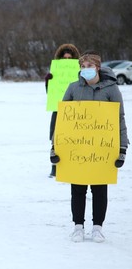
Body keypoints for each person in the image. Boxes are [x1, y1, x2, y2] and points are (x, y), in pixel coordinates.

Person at [50, 51, 129, 243]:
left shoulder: (111, 89)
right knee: (77, 189)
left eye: (89, 66)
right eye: (83, 66)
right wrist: (55, 146)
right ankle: (78, 226)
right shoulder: (73, 88)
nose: (86, 70)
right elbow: (62, 120)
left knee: (99, 189)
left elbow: (119, 119)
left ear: (98, 67)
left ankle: (97, 227)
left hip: (102, 151)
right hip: (77, 151)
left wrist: (122, 148)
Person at [45, 44, 80, 178]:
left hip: (75, 111)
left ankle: (73, 165)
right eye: (64, 58)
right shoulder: (56, 73)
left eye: (69, 58)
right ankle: (55, 167)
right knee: (56, 139)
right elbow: (51, 94)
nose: (66, 60)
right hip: (58, 110)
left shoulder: (79, 73)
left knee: (74, 140)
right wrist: (48, 82)